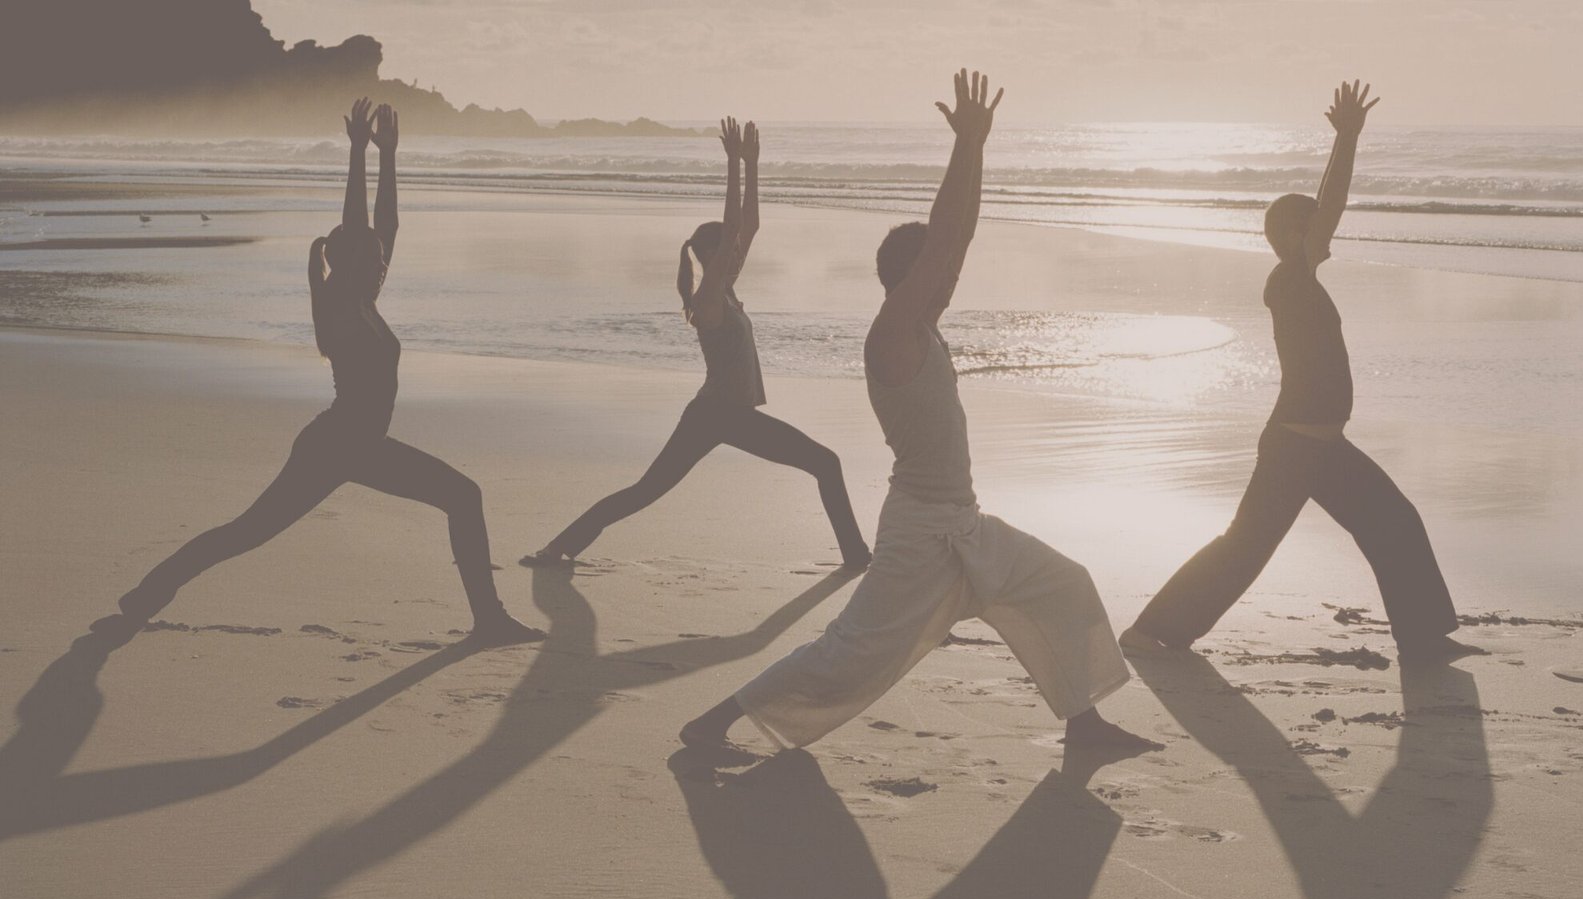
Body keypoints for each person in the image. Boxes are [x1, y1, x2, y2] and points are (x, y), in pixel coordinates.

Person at [681, 72, 1158, 753]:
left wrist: (978, 147)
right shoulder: (892, 333)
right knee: (849, 654)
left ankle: (1084, 724)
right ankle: (712, 723)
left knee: (1064, 585)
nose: (952, 275)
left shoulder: (925, 327)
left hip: (965, 524)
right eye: (936, 270)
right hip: (919, 537)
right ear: (910, 279)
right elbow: (944, 242)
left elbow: (956, 239)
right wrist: (963, 145)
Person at [93, 99, 536, 642]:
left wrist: (386, 156)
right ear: (351, 264)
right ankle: (489, 620)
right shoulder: (342, 306)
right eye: (375, 258)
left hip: (355, 444)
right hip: (339, 445)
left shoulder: (364, 301)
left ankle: (488, 619)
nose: (384, 263)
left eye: (382, 257)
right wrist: (356, 154)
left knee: (458, 498)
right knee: (247, 532)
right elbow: (359, 226)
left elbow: (384, 226)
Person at [1119, 82, 1480, 667]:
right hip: (1293, 447)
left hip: (1324, 449)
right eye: (1314, 226)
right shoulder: (1290, 279)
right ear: (1294, 235)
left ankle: (1422, 638)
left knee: (1394, 521)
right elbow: (1330, 204)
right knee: (1246, 546)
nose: (1327, 232)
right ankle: (1151, 631)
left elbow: (1324, 212)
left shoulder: (1301, 279)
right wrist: (1347, 140)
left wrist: (1344, 143)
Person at [521, 118, 871, 569]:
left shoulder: (726, 289)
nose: (739, 250)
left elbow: (749, 225)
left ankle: (559, 547)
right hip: (717, 415)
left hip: (723, 414)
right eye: (729, 248)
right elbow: (735, 224)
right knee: (650, 491)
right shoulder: (709, 298)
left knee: (817, 465)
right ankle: (557, 548)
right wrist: (732, 163)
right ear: (712, 256)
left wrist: (753, 165)